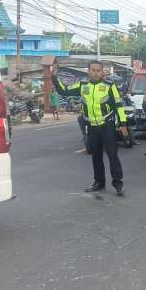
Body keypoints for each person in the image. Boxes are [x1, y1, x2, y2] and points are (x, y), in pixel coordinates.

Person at [50, 60, 128, 196]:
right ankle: (99, 182)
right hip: (91, 127)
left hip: (107, 126)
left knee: (112, 155)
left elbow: (119, 105)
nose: (96, 73)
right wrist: (54, 77)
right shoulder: (82, 85)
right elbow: (64, 90)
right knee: (96, 156)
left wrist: (123, 125)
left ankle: (118, 184)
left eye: (99, 70)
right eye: (93, 70)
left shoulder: (110, 86)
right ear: (88, 71)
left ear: (102, 72)